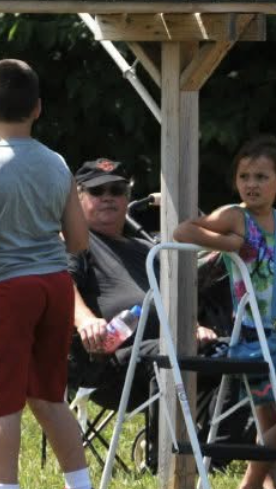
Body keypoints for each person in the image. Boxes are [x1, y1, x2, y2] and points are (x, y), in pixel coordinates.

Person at [0, 59, 108, 489]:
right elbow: (79, 241)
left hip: (4, 288)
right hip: (56, 287)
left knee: (3, 400)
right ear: (38, 108)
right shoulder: (57, 163)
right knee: (50, 395)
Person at [173, 134, 276, 489]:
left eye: (261, 176)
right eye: (245, 176)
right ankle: (248, 484)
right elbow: (183, 231)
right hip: (256, 334)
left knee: (271, 417)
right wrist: (227, 243)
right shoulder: (234, 216)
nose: (252, 184)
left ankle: (270, 488)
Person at [69, 159, 219, 407]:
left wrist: (193, 326)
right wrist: (85, 319)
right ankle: (165, 446)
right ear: (78, 198)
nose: (108, 197)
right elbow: (61, 282)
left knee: (234, 353)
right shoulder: (76, 239)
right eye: (97, 191)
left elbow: (211, 250)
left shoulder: (149, 247)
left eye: (116, 191)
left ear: (127, 198)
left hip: (169, 348)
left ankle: (231, 442)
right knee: (173, 357)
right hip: (110, 362)